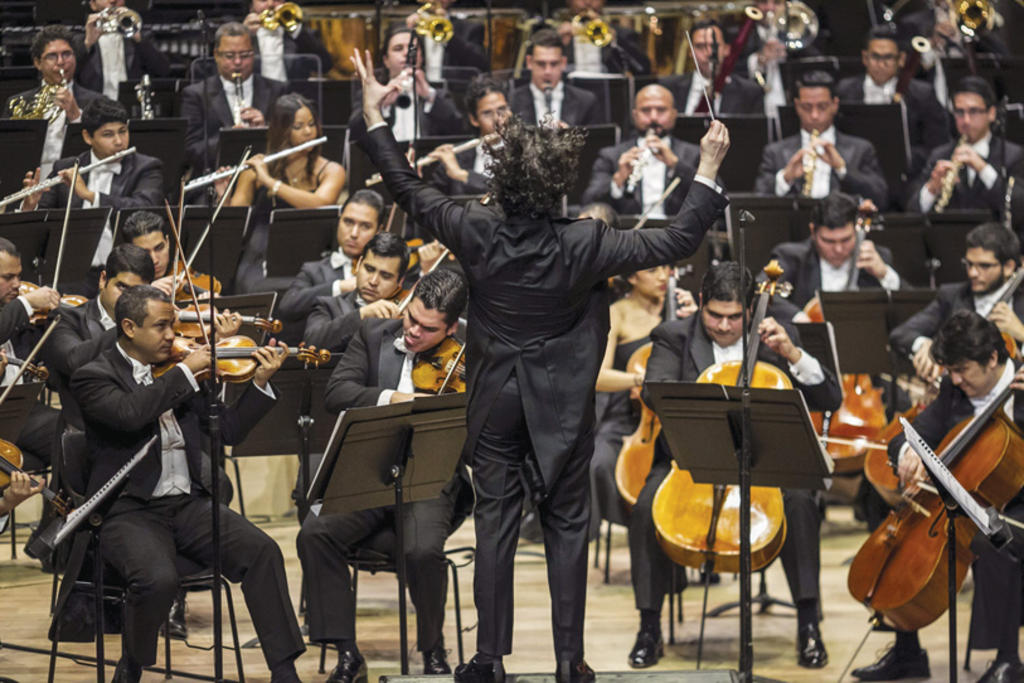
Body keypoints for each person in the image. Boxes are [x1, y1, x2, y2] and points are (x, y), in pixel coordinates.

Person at [351, 46, 730, 682]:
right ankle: (568, 662)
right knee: (567, 527)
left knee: (495, 525)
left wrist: (373, 116)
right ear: (558, 184)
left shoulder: (474, 227)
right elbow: (679, 238)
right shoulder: (586, 241)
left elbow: (405, 186)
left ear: (500, 181)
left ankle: (488, 660)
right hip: (561, 407)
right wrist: (709, 165)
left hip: (495, 402)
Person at [68, 285, 304, 683]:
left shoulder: (180, 370)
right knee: (158, 580)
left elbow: (228, 430)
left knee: (262, 551)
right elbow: (130, 414)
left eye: (173, 326)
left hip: (187, 505)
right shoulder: (95, 376)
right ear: (129, 327)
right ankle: (133, 664)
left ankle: (284, 671)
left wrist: (260, 383)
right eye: (161, 327)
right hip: (128, 510)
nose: (172, 336)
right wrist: (185, 373)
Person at [627, 262, 841, 670]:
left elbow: (830, 398)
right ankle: (648, 627)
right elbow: (656, 393)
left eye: (735, 317)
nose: (724, 326)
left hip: (765, 464)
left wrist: (792, 354)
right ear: (701, 302)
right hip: (692, 462)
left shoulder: (778, 337)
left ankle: (809, 623)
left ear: (751, 310)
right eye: (715, 316)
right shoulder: (672, 336)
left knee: (800, 504)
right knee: (645, 509)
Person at [299, 268, 473, 680]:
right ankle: (346, 652)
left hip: (429, 478)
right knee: (314, 534)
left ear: (451, 327)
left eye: (428, 329)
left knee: (421, 552)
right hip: (370, 472)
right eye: (411, 318)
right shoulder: (373, 334)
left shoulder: (470, 351)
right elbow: (337, 393)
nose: (412, 331)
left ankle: (432, 648)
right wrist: (392, 397)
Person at [853, 311, 1024, 683]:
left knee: (999, 542)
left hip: (1016, 502)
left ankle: (1008, 658)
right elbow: (911, 432)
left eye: (962, 370)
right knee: (888, 513)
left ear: (992, 358)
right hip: (964, 499)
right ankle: (907, 654)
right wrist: (908, 453)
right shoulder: (953, 387)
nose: (955, 380)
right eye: (951, 371)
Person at [589, 264, 696, 539]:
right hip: (629, 418)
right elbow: (598, 376)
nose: (662, 276)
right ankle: (638, 523)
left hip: (676, 419)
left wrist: (696, 323)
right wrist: (639, 380)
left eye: (667, 268)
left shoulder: (684, 311)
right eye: (652, 270)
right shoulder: (617, 313)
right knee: (597, 463)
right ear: (632, 276)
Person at [225, 93, 347, 292]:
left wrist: (270, 182)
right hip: (261, 251)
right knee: (250, 287)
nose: (308, 132)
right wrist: (224, 194)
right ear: (281, 131)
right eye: (298, 127)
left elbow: (320, 203)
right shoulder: (257, 169)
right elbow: (235, 223)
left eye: (312, 124)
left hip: (313, 247)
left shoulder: (332, 170)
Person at [891, 222, 1024, 383]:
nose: (973, 273)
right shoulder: (951, 295)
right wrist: (926, 345)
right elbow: (901, 334)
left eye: (984, 266)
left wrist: (1021, 333)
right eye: (969, 264)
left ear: (1008, 267)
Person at [753, 70, 888, 209]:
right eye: (807, 107)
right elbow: (757, 203)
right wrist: (785, 178)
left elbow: (880, 197)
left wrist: (842, 170)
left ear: (835, 105)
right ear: (797, 106)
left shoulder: (861, 149)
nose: (814, 115)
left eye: (822, 107)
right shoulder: (775, 152)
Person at [835, 24, 949, 181]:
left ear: (901, 59)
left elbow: (937, 144)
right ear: (865, 58)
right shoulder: (845, 90)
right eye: (875, 57)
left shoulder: (922, 94)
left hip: (907, 177)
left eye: (888, 57)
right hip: (857, 174)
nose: (881, 64)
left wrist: (904, 157)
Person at [18, 96, 164, 214]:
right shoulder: (65, 167)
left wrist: (89, 195)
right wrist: (30, 207)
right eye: (108, 134)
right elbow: (43, 218)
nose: (119, 141)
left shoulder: (146, 167)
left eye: (123, 131)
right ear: (87, 137)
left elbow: (145, 208)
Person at [180, 22, 288, 174]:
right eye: (229, 56)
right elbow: (190, 150)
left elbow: (288, 141)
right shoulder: (196, 94)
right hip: (214, 176)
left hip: (265, 176)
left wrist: (265, 130)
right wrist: (230, 139)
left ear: (253, 54)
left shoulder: (277, 90)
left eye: (245, 55)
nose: (238, 62)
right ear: (216, 55)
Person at [906, 76, 1024, 216]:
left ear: (991, 113)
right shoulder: (940, 155)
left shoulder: (1012, 155)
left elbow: (1019, 204)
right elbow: (912, 211)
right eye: (959, 112)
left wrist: (983, 169)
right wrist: (932, 189)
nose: (966, 120)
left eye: (973, 111)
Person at [582, 85, 701, 219]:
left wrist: (676, 165)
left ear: (674, 114)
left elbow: (712, 198)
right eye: (645, 110)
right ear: (634, 115)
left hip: (679, 229)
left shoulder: (694, 154)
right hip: (628, 230)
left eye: (661, 110)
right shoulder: (611, 156)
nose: (653, 117)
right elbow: (589, 202)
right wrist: (618, 180)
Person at [768, 192, 902, 311]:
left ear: (856, 231)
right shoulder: (790, 257)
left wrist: (885, 275)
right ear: (813, 232)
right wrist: (801, 318)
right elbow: (764, 293)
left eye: (846, 239)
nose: (838, 249)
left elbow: (910, 312)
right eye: (829, 241)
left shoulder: (878, 257)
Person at [3, 26, 103, 178]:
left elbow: (102, 150)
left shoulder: (98, 101)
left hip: (77, 179)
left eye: (67, 54)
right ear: (37, 63)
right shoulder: (18, 103)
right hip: (31, 179)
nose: (61, 62)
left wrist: (76, 116)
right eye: (52, 56)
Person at [276, 189, 384, 327]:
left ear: (379, 231)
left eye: (365, 226)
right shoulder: (313, 270)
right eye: (348, 222)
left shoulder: (387, 272)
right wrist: (339, 287)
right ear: (339, 221)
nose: (354, 233)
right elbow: (288, 306)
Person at [0, 238, 62, 471]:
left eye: (19, 276)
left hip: (21, 406)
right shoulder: (16, 310)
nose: (17, 284)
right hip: (4, 412)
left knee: (73, 431)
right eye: (8, 277)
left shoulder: (13, 311)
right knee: (65, 437)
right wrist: (26, 303)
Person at [350, 26, 465, 141]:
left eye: (412, 48)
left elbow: (459, 129)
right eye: (398, 48)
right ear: (386, 60)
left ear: (421, 57)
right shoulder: (369, 95)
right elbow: (354, 133)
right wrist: (380, 105)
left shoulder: (438, 94)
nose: (406, 53)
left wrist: (430, 96)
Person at [304, 232, 409, 353]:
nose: (373, 281)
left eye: (385, 276)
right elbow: (312, 342)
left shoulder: (406, 318)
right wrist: (361, 314)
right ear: (359, 265)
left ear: (400, 281)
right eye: (369, 269)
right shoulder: (327, 305)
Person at [426, 74, 510, 196]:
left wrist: (462, 175)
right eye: (487, 113)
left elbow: (510, 193)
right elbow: (429, 201)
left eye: (502, 109)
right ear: (473, 119)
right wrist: (409, 174)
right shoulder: (456, 158)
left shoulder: (527, 152)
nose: (498, 119)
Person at [660, 19, 763, 116]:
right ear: (690, 51)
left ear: (726, 49)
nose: (709, 53)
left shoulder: (750, 92)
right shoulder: (668, 88)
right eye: (700, 46)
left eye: (714, 46)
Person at [76, 0, 171, 100]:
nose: (113, 1)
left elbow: (163, 70)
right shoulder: (79, 39)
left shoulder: (142, 37)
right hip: (94, 105)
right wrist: (87, 44)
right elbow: (70, 77)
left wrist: (138, 38)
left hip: (130, 103)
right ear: (93, 5)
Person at [508, 29, 602, 127]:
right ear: (529, 62)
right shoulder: (511, 101)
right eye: (541, 64)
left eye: (554, 64)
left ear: (563, 63)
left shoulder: (585, 101)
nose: (548, 71)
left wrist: (571, 135)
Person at [244, 0, 334, 81]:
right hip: (256, 93)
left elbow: (326, 66)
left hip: (293, 93)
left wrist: (295, 30)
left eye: (277, 0)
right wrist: (243, 34)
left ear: (285, 3)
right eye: (263, 0)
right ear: (251, 7)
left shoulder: (302, 35)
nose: (270, 4)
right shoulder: (244, 33)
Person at [556, 0, 650, 75]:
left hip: (610, 90)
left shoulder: (622, 34)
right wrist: (558, 42)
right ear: (569, 1)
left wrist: (616, 41)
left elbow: (643, 69)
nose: (588, 2)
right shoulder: (557, 35)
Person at [401, 0, 488, 80]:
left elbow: (480, 64)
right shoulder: (413, 26)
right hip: (418, 87)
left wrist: (448, 36)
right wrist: (408, 31)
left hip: (454, 90)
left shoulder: (469, 28)